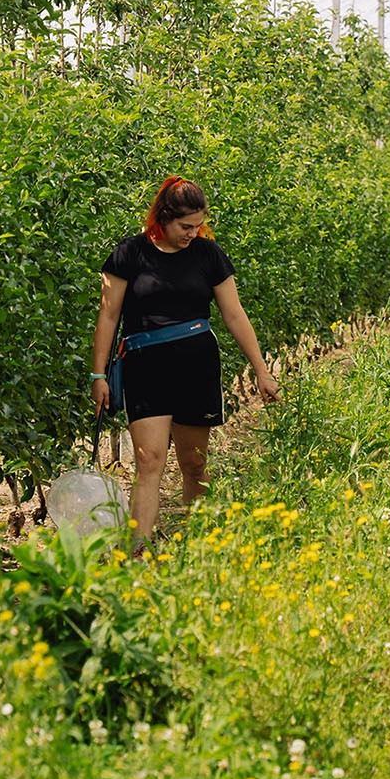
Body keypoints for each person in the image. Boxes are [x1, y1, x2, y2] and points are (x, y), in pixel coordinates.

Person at [90, 176, 280, 546]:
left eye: (198, 225)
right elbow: (108, 315)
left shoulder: (209, 255)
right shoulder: (128, 255)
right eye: (185, 226)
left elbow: (235, 315)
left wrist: (261, 370)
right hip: (145, 368)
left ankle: (198, 547)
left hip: (196, 367)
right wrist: (99, 373)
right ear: (161, 218)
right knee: (149, 461)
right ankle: (138, 554)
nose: (193, 233)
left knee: (194, 464)